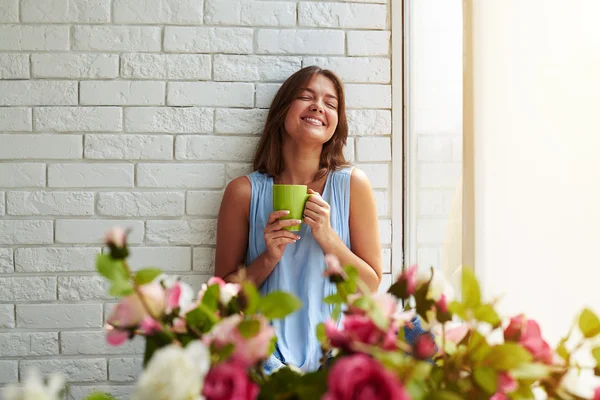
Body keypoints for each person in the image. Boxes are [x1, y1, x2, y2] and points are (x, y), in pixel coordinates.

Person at [215, 66, 425, 373]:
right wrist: (270, 256)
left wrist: (328, 237)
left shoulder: (352, 185)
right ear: (282, 110)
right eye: (306, 96)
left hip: (338, 360)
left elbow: (369, 286)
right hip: (267, 361)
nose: (318, 106)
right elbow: (220, 303)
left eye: (331, 103)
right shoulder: (243, 193)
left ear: (336, 122)